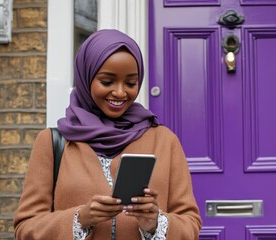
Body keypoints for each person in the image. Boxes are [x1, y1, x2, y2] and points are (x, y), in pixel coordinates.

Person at [13, 29, 202, 239]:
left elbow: (190, 224)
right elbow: (25, 228)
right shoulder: (52, 142)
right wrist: (80, 218)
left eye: (130, 83)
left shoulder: (165, 141)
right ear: (86, 78)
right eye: (107, 81)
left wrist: (155, 223)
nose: (120, 92)